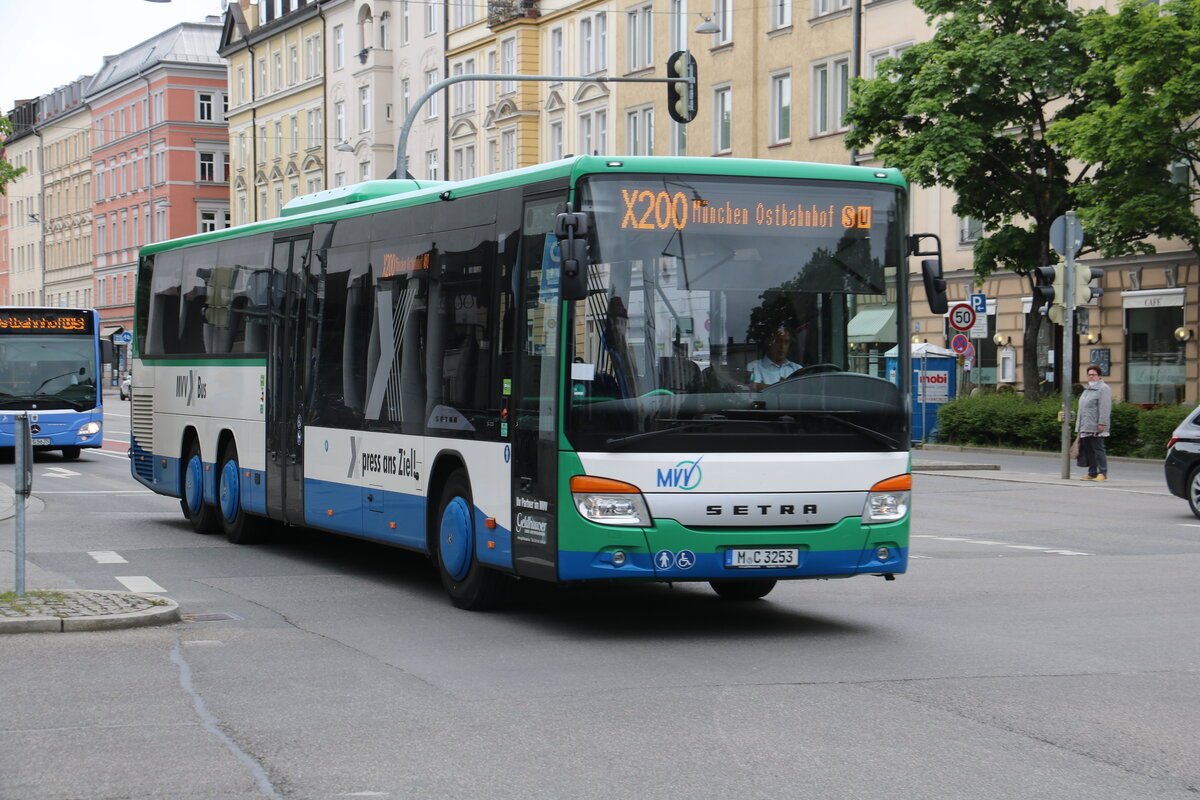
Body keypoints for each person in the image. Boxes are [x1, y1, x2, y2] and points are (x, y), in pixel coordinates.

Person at [1076, 364, 1112, 481]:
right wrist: (1079, 426)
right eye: (1089, 375)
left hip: (1096, 425)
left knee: (1098, 449)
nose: (1091, 377)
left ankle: (1102, 472)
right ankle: (1092, 472)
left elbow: (1105, 407)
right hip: (1086, 425)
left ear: (1099, 376)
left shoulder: (1103, 388)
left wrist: (1102, 423)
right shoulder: (1087, 389)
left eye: (1094, 375)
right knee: (1089, 450)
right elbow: (1082, 409)